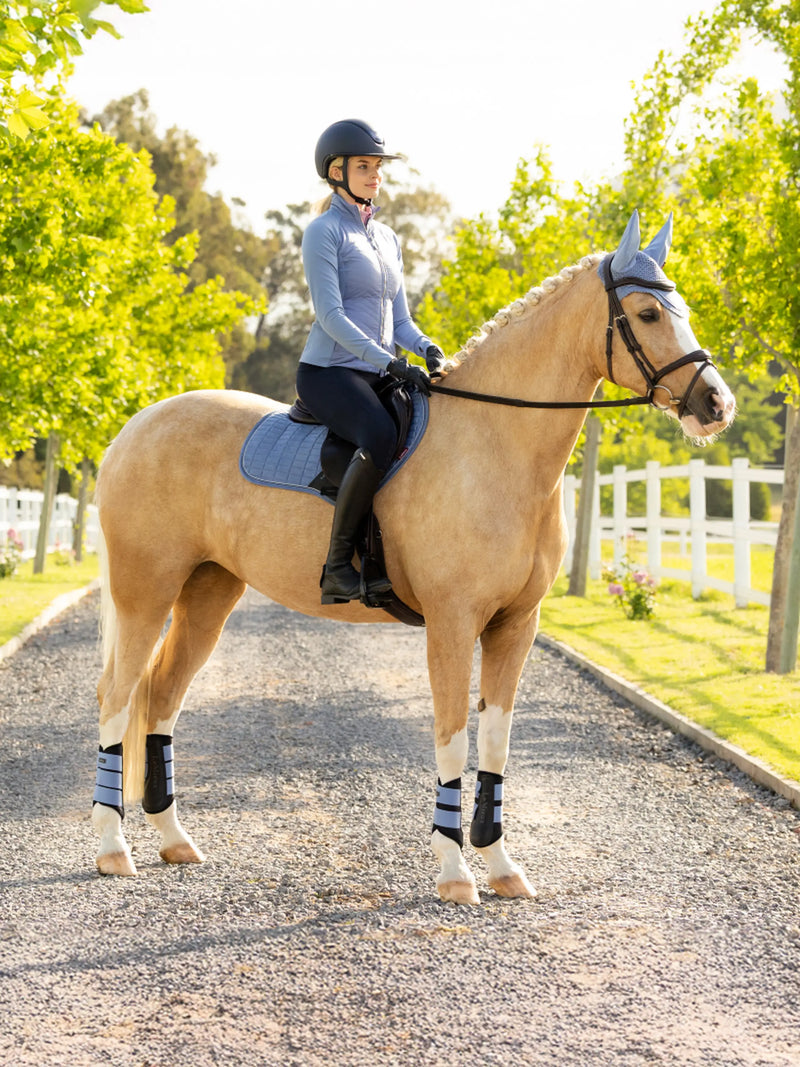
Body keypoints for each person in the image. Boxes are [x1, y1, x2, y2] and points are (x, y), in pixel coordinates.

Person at [296, 118, 446, 605]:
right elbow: (332, 316)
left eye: (377, 167)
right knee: (379, 434)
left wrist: (425, 348)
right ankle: (338, 567)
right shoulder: (323, 232)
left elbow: (400, 320)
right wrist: (388, 363)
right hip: (328, 372)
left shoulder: (386, 239)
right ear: (335, 171)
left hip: (375, 369)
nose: (375, 175)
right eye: (364, 166)